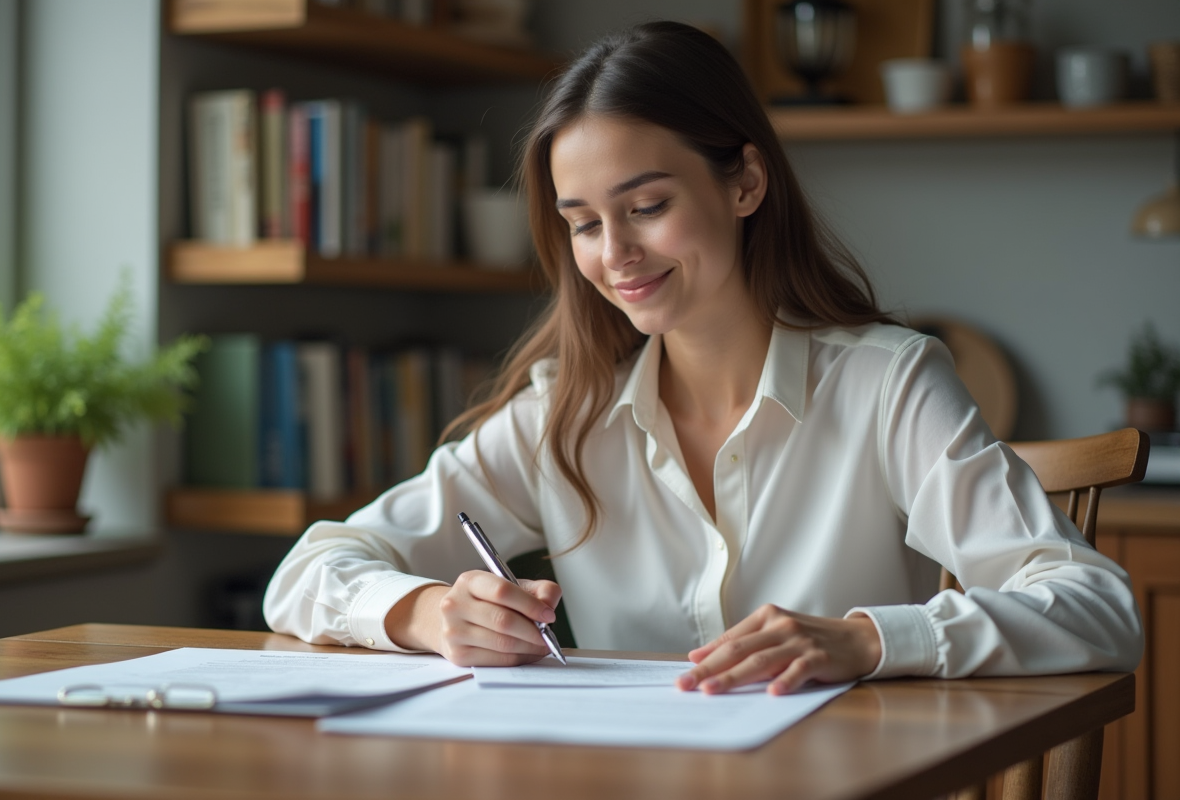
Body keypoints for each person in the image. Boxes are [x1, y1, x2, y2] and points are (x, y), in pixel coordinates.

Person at [263, 21, 1142, 695]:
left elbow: (1101, 609)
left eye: (646, 206)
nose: (615, 254)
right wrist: (425, 612)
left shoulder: (889, 384)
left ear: (745, 184)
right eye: (582, 224)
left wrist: (867, 639)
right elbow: (306, 571)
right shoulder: (560, 414)